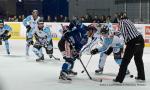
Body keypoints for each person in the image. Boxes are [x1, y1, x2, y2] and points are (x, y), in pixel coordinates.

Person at [113, 13, 145, 83]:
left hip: (133, 42)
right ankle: (141, 76)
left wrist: (126, 42)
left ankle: (119, 79)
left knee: (125, 61)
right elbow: (126, 31)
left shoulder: (121, 22)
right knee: (138, 59)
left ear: (119, 18)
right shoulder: (128, 21)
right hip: (141, 40)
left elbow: (124, 33)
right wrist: (115, 33)